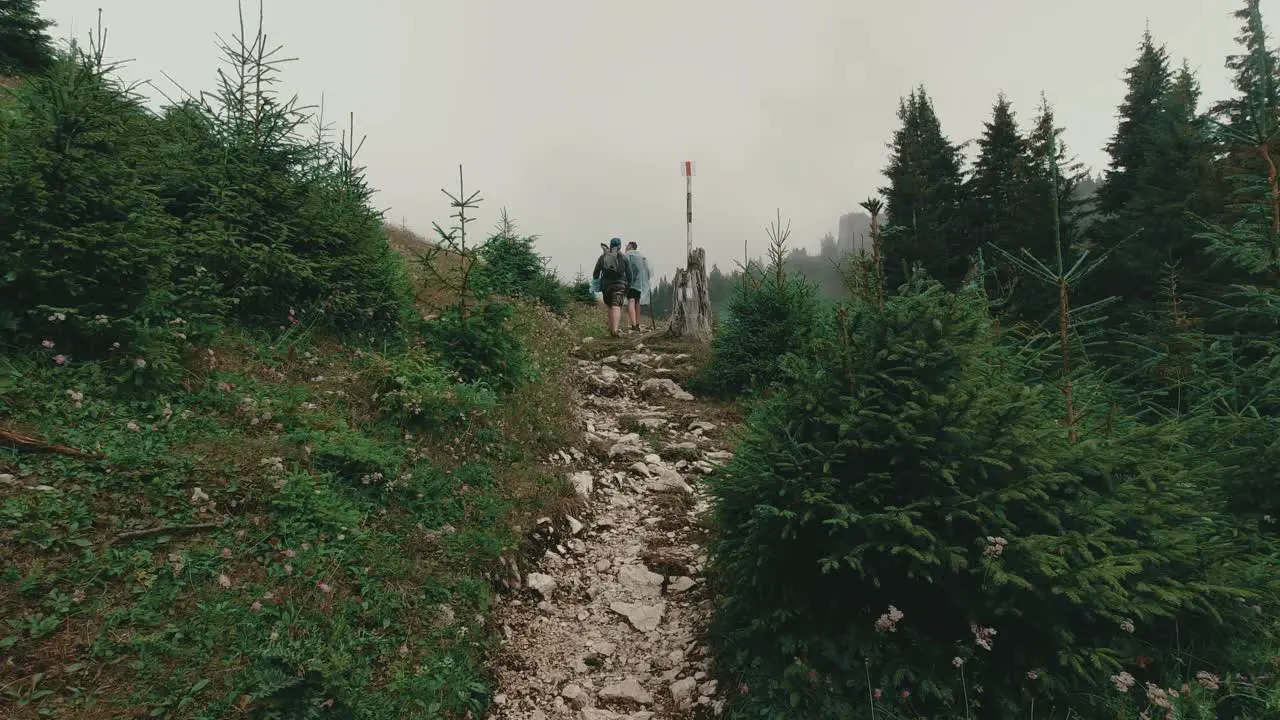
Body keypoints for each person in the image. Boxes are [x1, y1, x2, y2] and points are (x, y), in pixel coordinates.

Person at [593, 237, 632, 337]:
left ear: (610, 245)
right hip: (619, 284)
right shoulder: (624, 257)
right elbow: (629, 274)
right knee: (616, 306)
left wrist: (597, 284)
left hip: (606, 285)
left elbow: (596, 272)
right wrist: (628, 286)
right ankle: (615, 329)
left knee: (610, 306)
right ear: (619, 246)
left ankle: (611, 329)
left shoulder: (603, 257)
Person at [624, 241, 651, 332]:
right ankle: (638, 323)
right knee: (637, 302)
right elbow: (648, 270)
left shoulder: (627, 255)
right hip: (639, 283)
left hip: (629, 282)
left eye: (627, 245)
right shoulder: (641, 256)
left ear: (631, 247)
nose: (626, 247)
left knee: (631, 301)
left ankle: (633, 324)